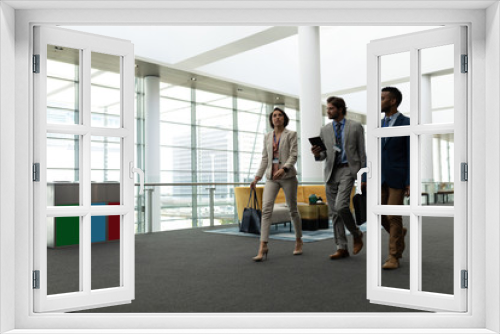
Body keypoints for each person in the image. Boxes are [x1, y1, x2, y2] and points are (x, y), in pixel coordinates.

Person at [311, 96, 366, 260]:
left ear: (340, 109)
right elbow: (322, 156)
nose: (328, 111)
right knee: (334, 212)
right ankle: (341, 247)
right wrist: (316, 154)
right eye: (327, 109)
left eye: (331, 109)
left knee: (341, 206)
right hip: (331, 172)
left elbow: (361, 152)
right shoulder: (324, 130)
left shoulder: (355, 127)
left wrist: (364, 176)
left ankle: (356, 234)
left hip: (348, 169)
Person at [250, 107, 302, 262]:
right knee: (266, 210)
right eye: (274, 116)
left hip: (288, 177)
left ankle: (299, 240)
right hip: (271, 178)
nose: (277, 118)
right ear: (271, 119)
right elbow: (265, 158)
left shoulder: (291, 134)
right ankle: (263, 246)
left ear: (284, 118)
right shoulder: (267, 136)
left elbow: (293, 155)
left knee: (292, 209)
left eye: (280, 115)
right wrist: (257, 177)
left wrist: (284, 168)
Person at [380, 86, 410, 270]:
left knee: (393, 215)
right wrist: (367, 176)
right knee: (381, 216)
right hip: (380, 177)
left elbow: (410, 154)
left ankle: (393, 256)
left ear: (393, 101)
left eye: (383, 98)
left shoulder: (406, 123)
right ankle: (398, 232)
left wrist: (409, 181)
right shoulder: (379, 124)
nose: (380, 101)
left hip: (398, 176)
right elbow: (373, 153)